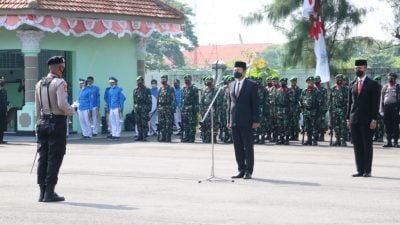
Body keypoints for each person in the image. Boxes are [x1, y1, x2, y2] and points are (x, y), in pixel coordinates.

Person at [34, 56, 75, 202]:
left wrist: (37, 124)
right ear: (60, 67)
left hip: (42, 122)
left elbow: (37, 107)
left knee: (43, 157)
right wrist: (73, 109)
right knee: (55, 156)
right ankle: (50, 192)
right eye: (62, 67)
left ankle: (42, 192)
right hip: (56, 122)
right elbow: (62, 105)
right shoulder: (60, 82)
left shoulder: (39, 83)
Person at [347, 59, 380, 178]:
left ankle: (367, 170)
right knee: (357, 145)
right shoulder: (352, 84)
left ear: (365, 68)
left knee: (367, 144)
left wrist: (374, 119)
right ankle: (359, 169)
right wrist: (347, 119)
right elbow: (349, 103)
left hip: (367, 120)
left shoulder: (373, 84)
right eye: (356, 68)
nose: (357, 70)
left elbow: (375, 103)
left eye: (360, 68)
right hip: (354, 118)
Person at [228, 61, 259, 180]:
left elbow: (255, 104)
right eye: (234, 70)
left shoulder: (251, 85)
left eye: (238, 70)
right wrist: (228, 119)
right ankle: (241, 169)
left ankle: (249, 171)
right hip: (234, 120)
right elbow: (229, 104)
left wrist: (256, 120)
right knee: (238, 147)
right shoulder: (230, 85)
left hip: (247, 121)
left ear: (244, 71)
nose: (236, 72)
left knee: (248, 146)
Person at [380, 72, 400, 147]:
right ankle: (388, 142)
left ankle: (395, 142)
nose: (390, 79)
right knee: (387, 126)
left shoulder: (398, 87)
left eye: (392, 78)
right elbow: (381, 99)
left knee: (395, 126)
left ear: (395, 79)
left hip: (395, 108)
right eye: (389, 78)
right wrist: (381, 110)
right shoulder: (385, 87)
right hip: (386, 108)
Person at [328, 74, 349, 146]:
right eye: (337, 79)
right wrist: (330, 109)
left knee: (343, 125)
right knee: (336, 125)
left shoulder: (346, 89)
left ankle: (343, 140)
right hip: (335, 109)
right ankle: (337, 139)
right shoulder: (333, 88)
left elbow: (348, 100)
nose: (338, 80)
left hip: (343, 109)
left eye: (340, 79)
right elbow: (330, 100)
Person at [200, 76, 222, 143]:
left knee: (213, 125)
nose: (208, 82)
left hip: (213, 110)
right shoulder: (204, 90)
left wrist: (216, 111)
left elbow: (218, 102)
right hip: (205, 110)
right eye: (207, 81)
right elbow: (202, 101)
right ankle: (206, 138)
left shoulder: (216, 90)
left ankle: (213, 138)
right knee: (205, 125)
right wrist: (202, 110)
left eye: (209, 81)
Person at [300, 76, 321, 146]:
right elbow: (301, 100)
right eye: (309, 81)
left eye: (312, 81)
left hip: (313, 111)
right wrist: (302, 106)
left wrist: (317, 110)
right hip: (306, 111)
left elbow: (319, 101)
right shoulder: (304, 91)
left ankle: (314, 140)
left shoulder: (316, 91)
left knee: (314, 126)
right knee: (307, 126)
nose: (310, 82)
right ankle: (308, 140)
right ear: (307, 82)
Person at [180, 75, 199, 143]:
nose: (187, 80)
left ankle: (192, 138)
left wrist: (195, 110)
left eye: (188, 79)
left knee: (191, 124)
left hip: (191, 108)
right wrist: (181, 108)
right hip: (184, 108)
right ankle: (186, 137)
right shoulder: (183, 88)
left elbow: (196, 100)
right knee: (185, 124)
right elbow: (182, 99)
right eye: (185, 79)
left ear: (191, 79)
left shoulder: (194, 88)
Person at [157, 75, 176, 142]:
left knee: (169, 123)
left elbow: (173, 99)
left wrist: (173, 109)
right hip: (161, 108)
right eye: (162, 79)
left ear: (167, 80)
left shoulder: (170, 89)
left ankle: (168, 137)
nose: (163, 80)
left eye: (164, 79)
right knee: (162, 123)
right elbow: (158, 99)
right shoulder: (160, 89)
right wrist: (158, 108)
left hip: (168, 108)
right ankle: (163, 136)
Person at [133, 76, 152, 141]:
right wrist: (134, 107)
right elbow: (134, 100)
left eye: (139, 81)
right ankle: (140, 136)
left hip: (144, 108)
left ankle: (144, 136)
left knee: (144, 123)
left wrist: (149, 109)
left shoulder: (147, 90)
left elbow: (149, 100)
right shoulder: (135, 90)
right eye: (137, 81)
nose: (138, 82)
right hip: (137, 108)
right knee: (138, 122)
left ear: (142, 81)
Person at [275, 77, 291, 145]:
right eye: (282, 82)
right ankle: (281, 139)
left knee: (286, 125)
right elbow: (275, 100)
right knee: (280, 125)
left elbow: (291, 101)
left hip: (286, 110)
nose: (283, 83)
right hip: (279, 110)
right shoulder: (278, 90)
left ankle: (286, 139)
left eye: (284, 82)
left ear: (286, 83)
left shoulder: (289, 91)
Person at [253, 76, 268, 144]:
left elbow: (266, 100)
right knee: (255, 122)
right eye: (257, 80)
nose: (258, 82)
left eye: (259, 80)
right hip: (254, 107)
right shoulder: (252, 89)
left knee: (262, 123)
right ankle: (256, 137)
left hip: (262, 107)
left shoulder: (264, 89)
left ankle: (262, 138)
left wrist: (266, 110)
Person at [315, 75, 328, 141]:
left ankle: (322, 135)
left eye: (318, 80)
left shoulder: (323, 89)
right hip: (314, 109)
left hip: (321, 109)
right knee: (315, 122)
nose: (317, 81)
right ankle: (316, 135)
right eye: (316, 80)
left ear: (320, 81)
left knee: (322, 123)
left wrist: (325, 109)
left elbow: (326, 100)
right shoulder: (313, 89)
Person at [288, 77, 302, 141]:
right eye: (292, 81)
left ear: (296, 82)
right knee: (290, 122)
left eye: (294, 81)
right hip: (289, 107)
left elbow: (300, 98)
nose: (293, 82)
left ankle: (296, 136)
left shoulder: (299, 89)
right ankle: (291, 135)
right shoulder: (288, 89)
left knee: (296, 122)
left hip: (296, 107)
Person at [373, 75, 385, 142]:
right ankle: (376, 135)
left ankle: (380, 136)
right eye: (377, 80)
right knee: (374, 123)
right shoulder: (373, 88)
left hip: (380, 108)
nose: (378, 82)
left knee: (380, 123)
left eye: (379, 80)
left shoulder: (382, 88)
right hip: (374, 108)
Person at [0, 76, 7, 144]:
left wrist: (5, 111)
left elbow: (5, 102)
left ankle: (1, 139)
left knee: (2, 126)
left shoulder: (4, 91)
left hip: (3, 111)